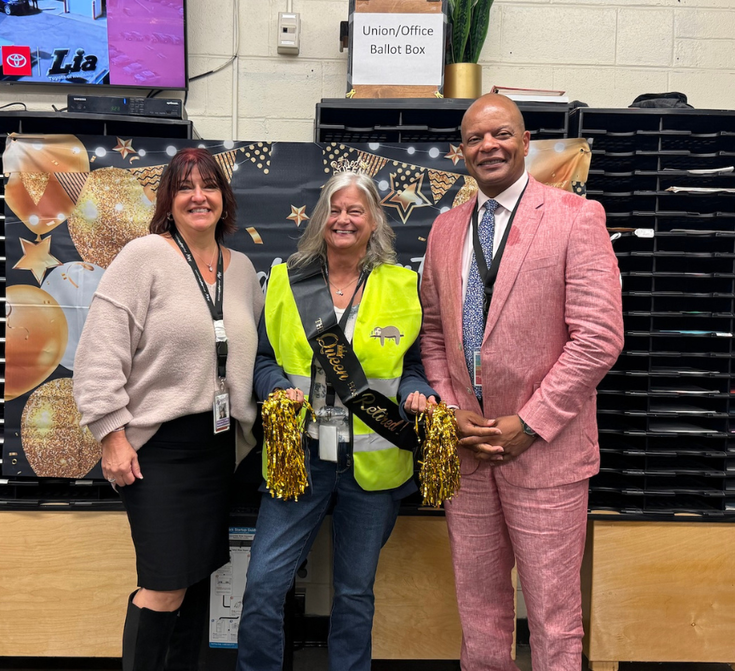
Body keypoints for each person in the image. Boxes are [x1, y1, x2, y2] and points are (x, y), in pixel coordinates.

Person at [419, 94, 624, 671]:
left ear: (525, 138)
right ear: (462, 151)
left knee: (555, 619)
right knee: (479, 612)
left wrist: (529, 424)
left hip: (547, 456)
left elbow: (599, 339)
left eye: (500, 133)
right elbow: (434, 335)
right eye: (475, 138)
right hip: (468, 449)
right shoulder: (443, 230)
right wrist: (451, 406)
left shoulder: (575, 217)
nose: (489, 146)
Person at [236, 171, 438, 671]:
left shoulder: (402, 284)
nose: (343, 219)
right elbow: (261, 359)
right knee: (264, 584)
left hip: (373, 465)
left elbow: (412, 368)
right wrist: (274, 387)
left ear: (374, 222)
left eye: (356, 211)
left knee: (353, 591)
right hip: (299, 460)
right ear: (321, 217)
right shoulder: (285, 279)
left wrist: (419, 396)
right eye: (335, 208)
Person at [73, 148, 263, 671]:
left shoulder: (242, 269)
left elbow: (254, 352)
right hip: (159, 451)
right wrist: (111, 434)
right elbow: (97, 355)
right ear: (169, 201)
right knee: (163, 587)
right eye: (185, 187)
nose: (198, 196)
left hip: (221, 448)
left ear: (224, 198)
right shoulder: (145, 256)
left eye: (208, 185)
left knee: (197, 582)